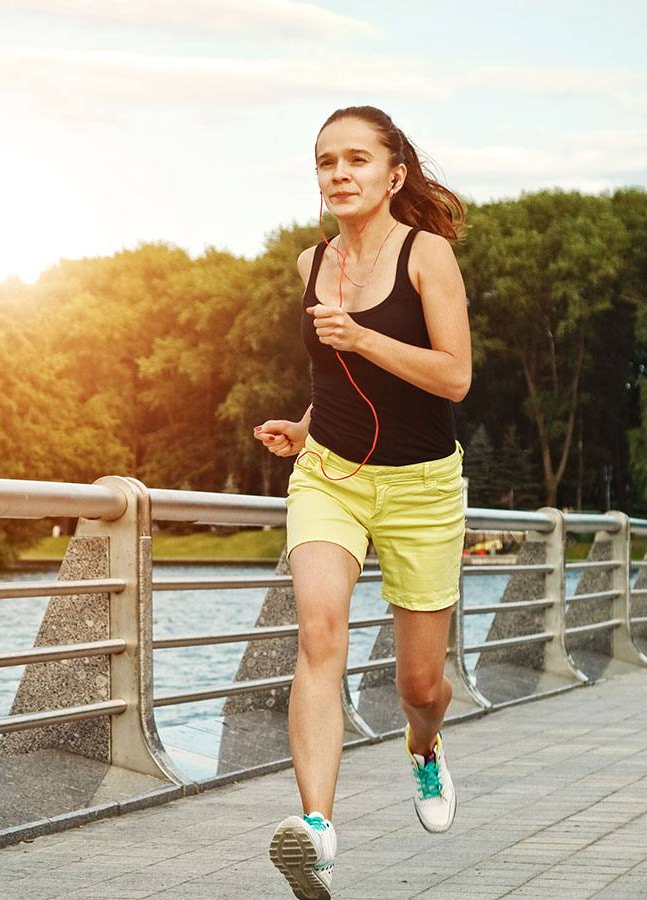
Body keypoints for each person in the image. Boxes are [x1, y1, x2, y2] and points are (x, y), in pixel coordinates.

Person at [252, 105, 472, 900]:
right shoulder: (310, 263)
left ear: (394, 174)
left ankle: (423, 747)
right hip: (331, 475)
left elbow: (454, 378)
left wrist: (364, 337)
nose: (338, 174)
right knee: (319, 632)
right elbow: (336, 374)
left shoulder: (428, 255)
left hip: (422, 489)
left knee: (419, 684)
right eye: (324, 162)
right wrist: (304, 426)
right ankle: (315, 831)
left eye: (355, 160)